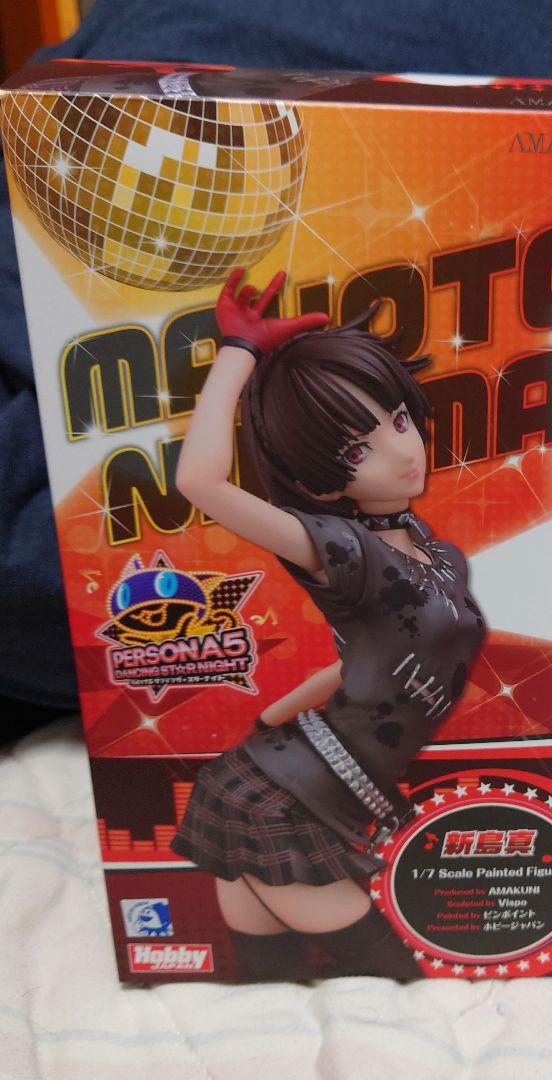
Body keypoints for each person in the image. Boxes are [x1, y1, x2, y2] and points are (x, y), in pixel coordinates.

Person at [170, 268, 486, 980]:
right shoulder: (340, 549)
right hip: (282, 800)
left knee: (268, 982)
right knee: (398, 979)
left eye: (399, 421)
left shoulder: (433, 550)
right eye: (357, 450)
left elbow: (369, 662)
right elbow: (200, 484)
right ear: (320, 479)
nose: (404, 451)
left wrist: (275, 711)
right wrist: (239, 350)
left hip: (306, 773)